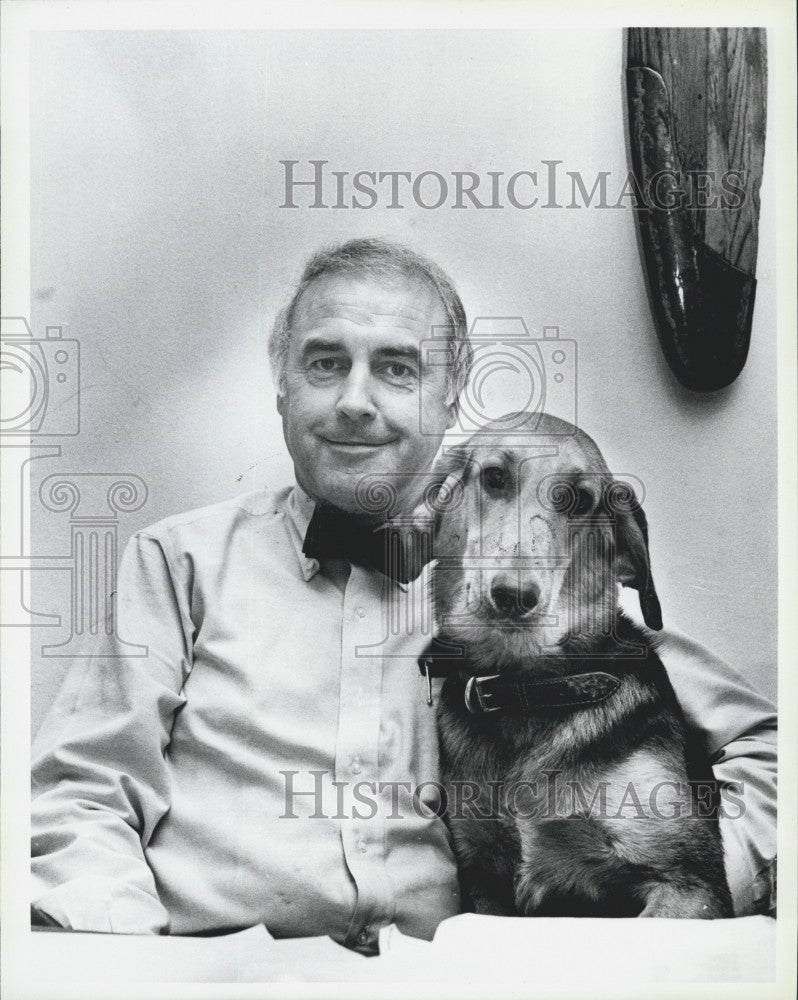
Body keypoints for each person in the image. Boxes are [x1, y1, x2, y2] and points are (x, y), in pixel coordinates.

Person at [31, 238, 777, 952]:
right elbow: (84, 796)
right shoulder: (177, 563)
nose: (356, 401)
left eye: (397, 369)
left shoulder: (523, 594)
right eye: (325, 363)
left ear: (450, 398)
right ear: (282, 386)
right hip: (217, 968)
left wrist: (699, 868)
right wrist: (128, 962)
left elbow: (764, 752)